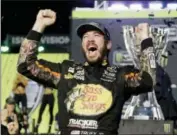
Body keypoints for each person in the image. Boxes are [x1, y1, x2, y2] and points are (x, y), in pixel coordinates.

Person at [17, 9, 155, 135]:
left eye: (96, 35)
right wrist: (39, 24)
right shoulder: (66, 71)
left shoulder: (120, 75)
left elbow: (148, 80)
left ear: (108, 45)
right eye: (85, 37)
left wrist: (145, 40)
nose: (90, 39)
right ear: (82, 45)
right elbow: (25, 64)